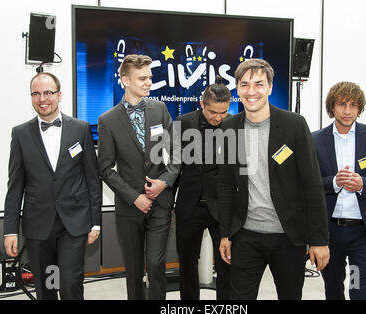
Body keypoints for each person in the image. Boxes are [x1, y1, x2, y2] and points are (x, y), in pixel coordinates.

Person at [218, 58, 330, 300]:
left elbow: (312, 185)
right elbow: (226, 185)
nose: (251, 92)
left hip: (288, 237)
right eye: (244, 84)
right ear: (237, 88)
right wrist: (225, 233)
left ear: (269, 87)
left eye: (259, 84)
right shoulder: (229, 127)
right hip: (245, 235)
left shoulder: (294, 125)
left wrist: (319, 240)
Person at [3, 72, 102, 300]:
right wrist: (10, 230)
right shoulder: (20, 134)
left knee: (69, 284)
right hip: (38, 226)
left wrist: (95, 222)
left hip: (74, 223)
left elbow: (91, 179)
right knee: (47, 288)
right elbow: (15, 186)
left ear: (59, 95)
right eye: (36, 94)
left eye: (48, 92)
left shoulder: (80, 129)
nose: (42, 98)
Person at [97, 54, 180, 300]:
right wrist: (135, 197)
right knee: (134, 269)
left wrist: (164, 182)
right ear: (125, 80)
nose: (148, 83)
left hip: (160, 203)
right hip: (129, 207)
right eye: (142, 78)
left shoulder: (160, 109)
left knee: (155, 264)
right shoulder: (107, 120)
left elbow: (176, 153)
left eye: (150, 78)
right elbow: (106, 168)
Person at [312, 82, 366, 300]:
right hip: (330, 233)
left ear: (360, 108)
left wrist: (363, 185)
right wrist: (333, 182)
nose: (347, 111)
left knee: (358, 291)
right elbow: (308, 183)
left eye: (353, 105)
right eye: (341, 104)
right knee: (332, 290)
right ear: (332, 107)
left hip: (363, 234)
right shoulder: (315, 140)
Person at [174, 75, 231, 300]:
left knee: (227, 263)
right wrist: (167, 204)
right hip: (190, 205)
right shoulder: (182, 122)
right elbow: (173, 167)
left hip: (223, 208)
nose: (218, 117)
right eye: (212, 112)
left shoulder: (235, 125)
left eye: (223, 112)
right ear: (202, 104)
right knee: (187, 264)